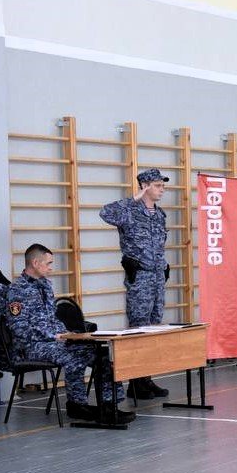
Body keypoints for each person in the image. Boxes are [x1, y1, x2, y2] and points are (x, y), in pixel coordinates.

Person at [6, 244, 131, 424]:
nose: (51, 268)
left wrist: (66, 333)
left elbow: (52, 318)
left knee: (103, 355)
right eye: (48, 263)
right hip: (32, 346)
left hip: (55, 342)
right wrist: (52, 335)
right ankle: (76, 405)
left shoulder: (45, 286)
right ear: (35, 263)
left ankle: (109, 406)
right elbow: (19, 328)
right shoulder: (17, 290)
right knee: (73, 357)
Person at [100, 167, 171, 399]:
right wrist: (134, 199)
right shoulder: (129, 212)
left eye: (162, 185)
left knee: (153, 328)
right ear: (145, 186)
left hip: (157, 277)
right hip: (140, 278)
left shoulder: (160, 215)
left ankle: (145, 379)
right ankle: (136, 380)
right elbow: (105, 212)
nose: (162, 189)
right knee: (139, 327)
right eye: (158, 185)